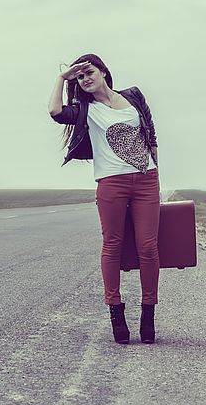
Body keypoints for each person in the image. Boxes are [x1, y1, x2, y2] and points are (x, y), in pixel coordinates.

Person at [48, 53, 161, 344]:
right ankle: (116, 312)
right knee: (113, 245)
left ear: (103, 71)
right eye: (80, 76)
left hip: (147, 180)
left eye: (89, 72)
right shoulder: (85, 109)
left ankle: (148, 314)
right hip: (112, 183)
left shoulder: (134, 96)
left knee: (148, 247)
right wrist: (62, 78)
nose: (85, 78)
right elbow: (55, 111)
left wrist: (156, 171)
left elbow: (151, 136)